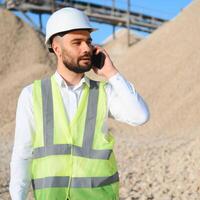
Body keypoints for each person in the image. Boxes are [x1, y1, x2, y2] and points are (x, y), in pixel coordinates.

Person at [9, 7, 149, 200]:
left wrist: (111, 73)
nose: (86, 48)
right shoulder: (32, 94)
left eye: (88, 41)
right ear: (57, 48)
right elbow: (22, 155)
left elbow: (140, 116)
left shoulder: (102, 92)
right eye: (77, 42)